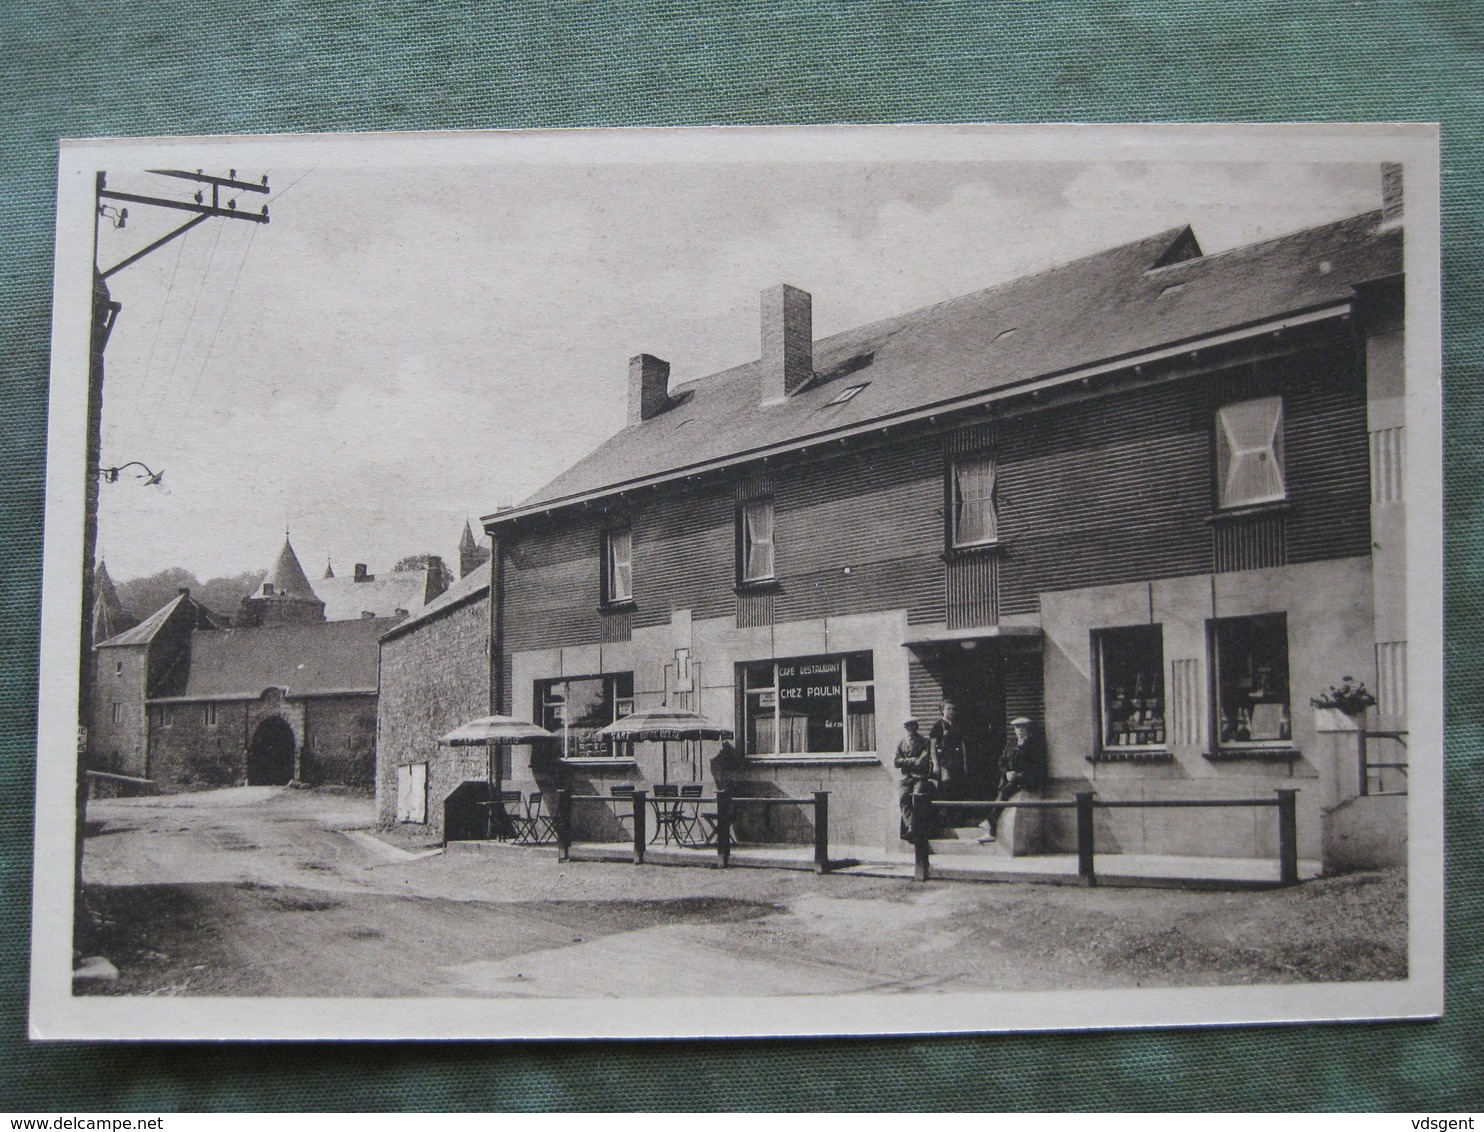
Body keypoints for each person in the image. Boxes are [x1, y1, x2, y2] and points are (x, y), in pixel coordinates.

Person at [982, 716, 1046, 843]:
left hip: (1026, 779)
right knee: (1001, 791)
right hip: (1011, 778)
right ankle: (991, 830)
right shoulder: (1011, 744)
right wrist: (1006, 773)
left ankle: (990, 823)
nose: (1020, 730)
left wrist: (1019, 775)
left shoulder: (1034, 745)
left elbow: (1037, 766)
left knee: (1005, 792)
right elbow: (1002, 761)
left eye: (1023, 727)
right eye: (1017, 727)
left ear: (1028, 729)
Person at [894, 719, 936, 840]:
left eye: (913, 726)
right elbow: (896, 761)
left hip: (920, 777)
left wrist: (911, 762)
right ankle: (911, 827)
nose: (911, 729)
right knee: (903, 798)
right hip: (906, 778)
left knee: (918, 797)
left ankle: (917, 828)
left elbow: (925, 759)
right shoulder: (901, 743)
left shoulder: (924, 741)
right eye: (908, 726)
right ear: (905, 728)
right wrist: (913, 760)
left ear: (917, 726)